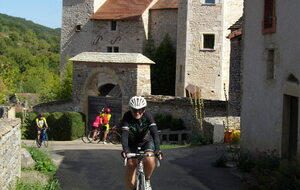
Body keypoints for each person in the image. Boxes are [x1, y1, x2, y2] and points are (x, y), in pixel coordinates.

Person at [121, 96, 162, 190]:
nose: (137, 113)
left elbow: (155, 133)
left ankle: (147, 180)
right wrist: (125, 150)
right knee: (131, 164)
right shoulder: (127, 116)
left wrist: (158, 149)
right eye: (134, 110)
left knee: (150, 159)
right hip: (132, 142)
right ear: (130, 109)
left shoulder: (148, 116)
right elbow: (124, 135)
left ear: (144, 109)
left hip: (146, 141)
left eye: (140, 110)